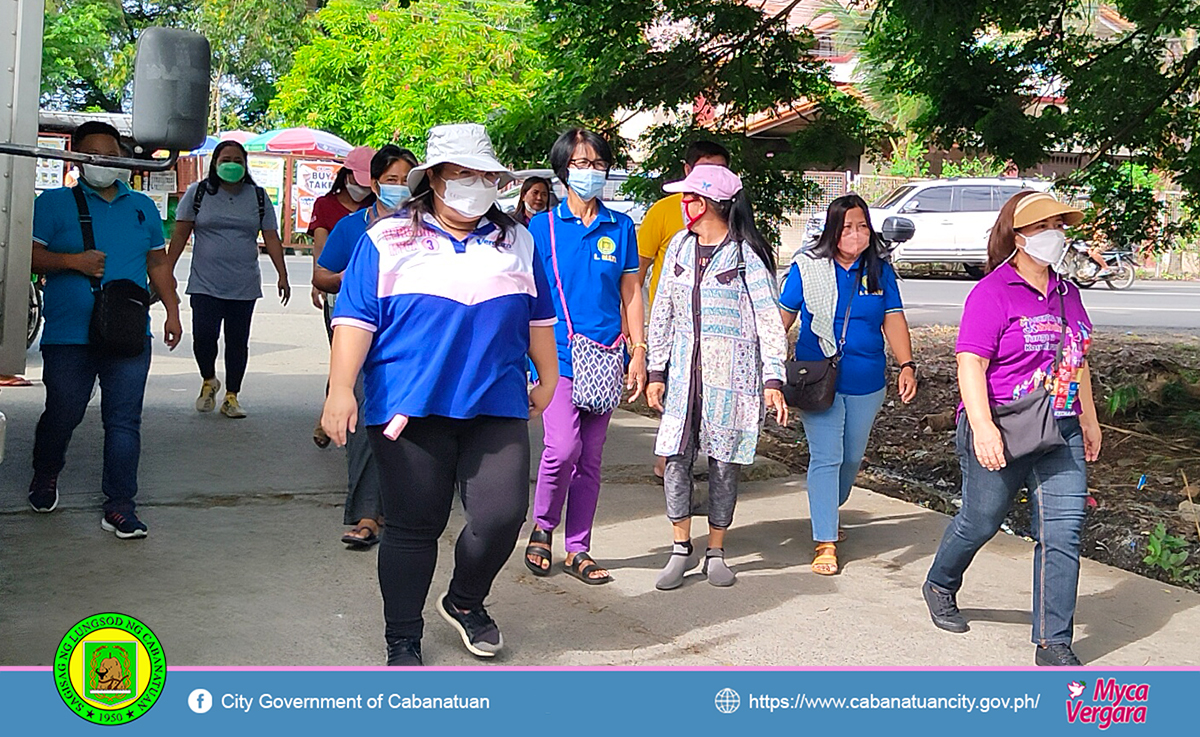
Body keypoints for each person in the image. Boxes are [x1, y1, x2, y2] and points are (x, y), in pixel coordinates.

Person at [322, 123, 559, 666]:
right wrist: (340, 392)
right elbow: (355, 320)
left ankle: (464, 600)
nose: (473, 184)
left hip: (496, 399)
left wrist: (547, 376)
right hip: (410, 404)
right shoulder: (386, 238)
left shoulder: (515, 239)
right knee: (414, 525)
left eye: (484, 175)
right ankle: (402, 636)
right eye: (460, 174)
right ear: (433, 181)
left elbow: (538, 314)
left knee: (502, 516)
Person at [922, 191, 1102, 668]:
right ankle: (940, 583)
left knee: (1064, 533)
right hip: (1002, 425)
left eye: (1060, 226)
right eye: (1045, 227)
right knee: (981, 521)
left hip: (1058, 428)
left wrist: (1088, 418)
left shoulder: (1068, 293)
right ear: (1020, 238)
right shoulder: (992, 292)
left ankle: (1053, 641)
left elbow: (1076, 360)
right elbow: (970, 364)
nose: (1056, 236)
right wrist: (982, 428)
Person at [27, 120, 182, 538]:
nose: (102, 162)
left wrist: (172, 309)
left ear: (123, 160)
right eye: (91, 155)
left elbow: (158, 264)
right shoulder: (54, 203)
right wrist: (71, 262)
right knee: (64, 412)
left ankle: (119, 505)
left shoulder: (142, 207)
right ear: (74, 159)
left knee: (124, 421)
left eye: (110, 155)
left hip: (129, 333)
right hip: (68, 336)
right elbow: (28, 257)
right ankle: (45, 474)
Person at [645, 164, 788, 589]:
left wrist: (773, 380)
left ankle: (717, 550)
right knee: (676, 459)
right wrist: (657, 368)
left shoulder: (746, 254)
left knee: (724, 463)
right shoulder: (678, 249)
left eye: (689, 197)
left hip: (733, 378)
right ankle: (679, 547)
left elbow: (768, 320)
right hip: (683, 377)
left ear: (708, 203)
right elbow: (664, 310)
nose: (683, 204)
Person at [523, 128, 647, 585]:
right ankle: (543, 526)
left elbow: (631, 292)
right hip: (555, 357)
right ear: (562, 171)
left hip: (607, 356)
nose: (590, 172)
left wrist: (638, 350)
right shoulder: (542, 227)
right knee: (562, 448)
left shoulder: (621, 226)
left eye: (597, 164)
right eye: (580, 164)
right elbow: (528, 295)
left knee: (591, 458)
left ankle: (579, 548)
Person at [779, 194, 918, 575]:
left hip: (866, 379)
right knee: (826, 457)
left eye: (861, 226)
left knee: (850, 458)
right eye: (846, 227)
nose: (854, 234)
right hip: (816, 379)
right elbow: (783, 318)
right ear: (832, 230)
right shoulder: (808, 267)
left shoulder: (880, 270)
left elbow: (893, 318)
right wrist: (768, 368)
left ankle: (827, 509)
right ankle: (825, 540)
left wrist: (907, 365)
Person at [312, 144, 419, 549]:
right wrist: (361, 279)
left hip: (410, 340)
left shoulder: (427, 229)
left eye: (404, 181)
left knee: (409, 425)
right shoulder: (352, 227)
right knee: (363, 424)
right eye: (389, 180)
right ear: (373, 184)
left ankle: (401, 508)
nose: (397, 188)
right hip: (361, 337)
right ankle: (364, 515)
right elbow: (322, 276)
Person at [168, 141, 291, 419]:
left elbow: (271, 237)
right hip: (204, 283)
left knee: (238, 341)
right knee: (204, 337)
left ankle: (232, 396)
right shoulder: (198, 193)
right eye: (226, 159)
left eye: (238, 159)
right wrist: (167, 271)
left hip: (243, 284)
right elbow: (180, 235)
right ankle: (209, 379)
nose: (232, 164)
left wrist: (282, 274)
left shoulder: (258, 197)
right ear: (215, 162)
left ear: (245, 164)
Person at [637, 140, 730, 480]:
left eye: (720, 170)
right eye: (705, 170)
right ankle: (671, 464)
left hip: (719, 334)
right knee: (676, 397)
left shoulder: (734, 219)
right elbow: (639, 270)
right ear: (687, 170)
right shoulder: (663, 212)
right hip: (675, 328)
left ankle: (708, 467)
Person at [311, 146, 374, 447]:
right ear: (347, 175)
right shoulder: (328, 207)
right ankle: (334, 412)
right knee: (345, 358)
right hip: (340, 299)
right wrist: (327, 281)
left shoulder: (386, 210)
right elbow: (321, 253)